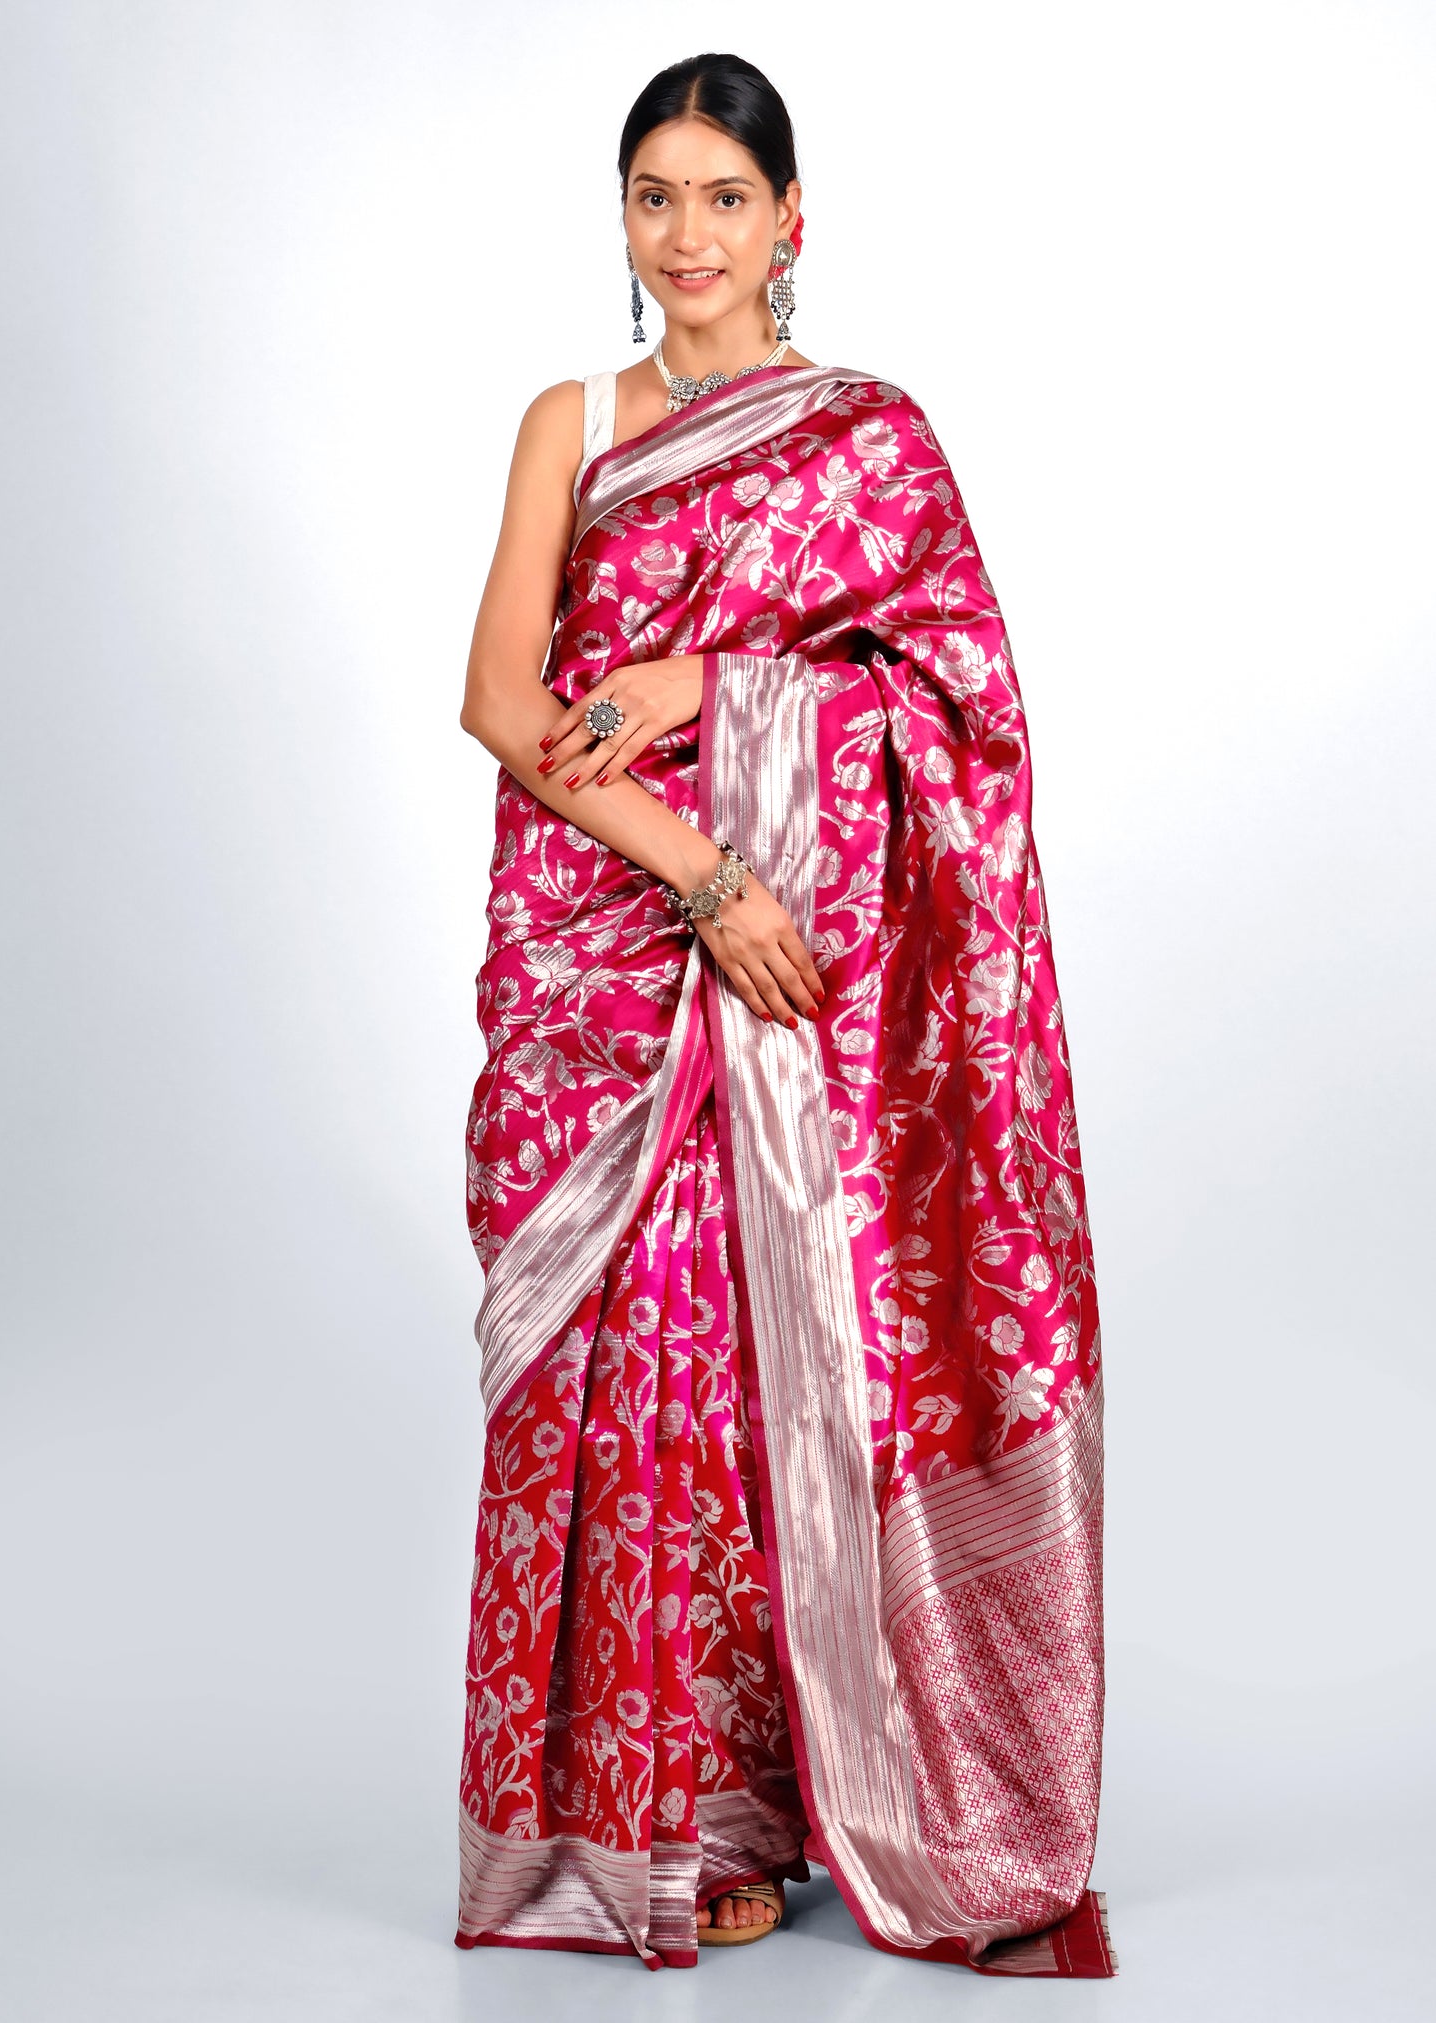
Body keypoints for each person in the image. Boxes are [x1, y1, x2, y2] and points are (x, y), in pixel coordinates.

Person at [454, 51, 1116, 1978]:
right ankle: (641, 1821)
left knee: (752, 1385)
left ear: (791, 222)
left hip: (800, 975)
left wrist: (717, 684)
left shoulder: (870, 442)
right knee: (613, 1384)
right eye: (653, 196)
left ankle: (770, 1790)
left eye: (723, 199)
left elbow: (960, 716)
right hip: (616, 947)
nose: (687, 237)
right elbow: (503, 699)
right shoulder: (568, 420)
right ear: (624, 216)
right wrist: (706, 866)